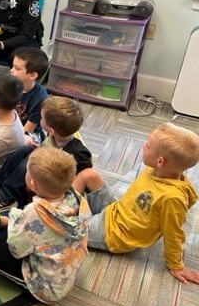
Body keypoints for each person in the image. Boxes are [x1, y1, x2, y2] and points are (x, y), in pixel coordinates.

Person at [73, 122, 199, 285]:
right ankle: (64, 206)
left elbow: (174, 234)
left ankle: (60, 216)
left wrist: (176, 265)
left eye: (148, 146)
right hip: (115, 209)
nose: (143, 146)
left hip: (115, 235)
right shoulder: (154, 170)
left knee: (59, 228)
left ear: (160, 161)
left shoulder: (172, 199)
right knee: (88, 174)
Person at [0, 147, 91, 304]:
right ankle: (4, 222)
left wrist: (13, 223)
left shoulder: (34, 213)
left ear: (32, 183)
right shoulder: (76, 198)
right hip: (63, 269)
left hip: (47, 287)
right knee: (19, 226)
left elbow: (16, 250)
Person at [0, 95, 104, 213]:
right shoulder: (57, 135)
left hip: (55, 184)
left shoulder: (79, 153)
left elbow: (75, 180)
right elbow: (49, 150)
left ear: (51, 130)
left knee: (31, 161)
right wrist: (38, 148)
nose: (40, 119)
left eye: (42, 118)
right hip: (48, 168)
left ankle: (6, 196)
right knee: (26, 149)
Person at [9, 47, 49, 145]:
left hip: (29, 132)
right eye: (13, 66)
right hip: (8, 124)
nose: (11, 70)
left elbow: (28, 128)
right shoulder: (9, 84)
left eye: (17, 68)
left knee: (26, 142)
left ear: (32, 76)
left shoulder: (40, 98)